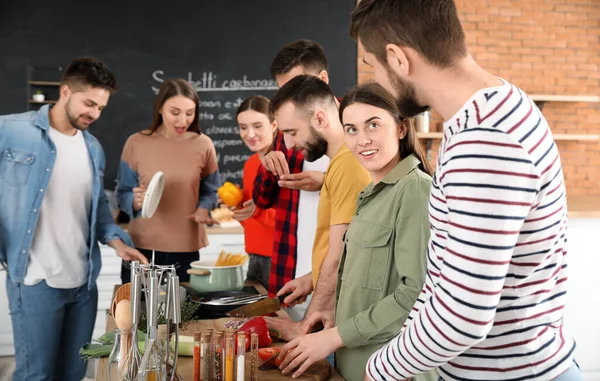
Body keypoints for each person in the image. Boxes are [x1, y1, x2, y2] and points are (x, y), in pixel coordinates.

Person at [350, 1, 582, 381]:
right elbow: (444, 276)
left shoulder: (484, 142)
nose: (375, 77)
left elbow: (463, 316)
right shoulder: (494, 107)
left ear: (397, 58)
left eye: (373, 64)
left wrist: (379, 370)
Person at [276, 83, 437, 381]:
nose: (362, 140)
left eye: (372, 125)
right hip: (355, 364)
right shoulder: (370, 195)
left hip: (393, 369)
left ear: (401, 128)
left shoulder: (415, 191)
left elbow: (415, 295)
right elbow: (370, 280)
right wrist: (335, 313)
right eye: (351, 129)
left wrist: (335, 336)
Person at [0, 56, 146, 381]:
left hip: (82, 284)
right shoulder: (12, 131)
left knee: (74, 373)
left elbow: (96, 213)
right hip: (36, 281)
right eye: (89, 103)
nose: (93, 114)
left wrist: (117, 241)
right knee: (36, 375)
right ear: (65, 91)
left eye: (101, 108)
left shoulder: (93, 148)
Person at [264, 75, 371, 340]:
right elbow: (354, 246)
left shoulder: (347, 165)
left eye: (291, 132)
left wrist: (303, 327)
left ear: (320, 119)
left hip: (347, 318)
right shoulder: (340, 162)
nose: (288, 145)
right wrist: (312, 278)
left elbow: (340, 252)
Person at [253, 39, 331, 321]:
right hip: (289, 274)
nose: (290, 97)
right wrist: (267, 165)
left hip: (333, 281)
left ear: (322, 80)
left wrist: (325, 180)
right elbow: (262, 199)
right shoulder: (287, 130)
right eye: (283, 89)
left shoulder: (355, 126)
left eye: (296, 86)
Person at [116, 78, 220, 283]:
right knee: (137, 312)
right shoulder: (136, 142)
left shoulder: (203, 144)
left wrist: (204, 208)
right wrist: (134, 201)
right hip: (141, 248)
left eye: (190, 113)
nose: (183, 120)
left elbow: (210, 190)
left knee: (183, 313)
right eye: (175, 112)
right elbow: (123, 191)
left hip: (185, 249)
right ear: (160, 108)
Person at [233, 95, 277, 289]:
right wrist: (236, 206)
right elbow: (252, 222)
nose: (250, 134)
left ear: (274, 125)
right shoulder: (250, 164)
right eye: (243, 127)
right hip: (253, 258)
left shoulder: (281, 162)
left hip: (278, 259)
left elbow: (291, 222)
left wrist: (256, 209)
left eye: (257, 126)